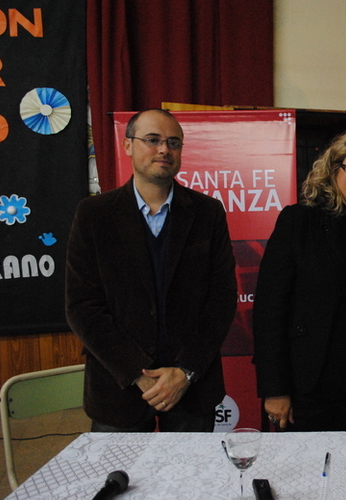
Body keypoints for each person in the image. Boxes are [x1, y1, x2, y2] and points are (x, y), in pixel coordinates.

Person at [65, 109, 237, 432]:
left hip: (192, 388)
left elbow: (222, 300)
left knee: (191, 482)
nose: (164, 149)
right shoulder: (94, 215)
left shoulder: (207, 213)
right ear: (128, 145)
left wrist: (185, 372)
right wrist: (136, 374)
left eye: (174, 142)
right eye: (152, 140)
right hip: (118, 390)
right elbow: (82, 307)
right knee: (121, 481)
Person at [253, 129, 346, 431]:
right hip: (305, 391)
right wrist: (275, 388)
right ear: (334, 169)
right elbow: (270, 309)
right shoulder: (298, 222)